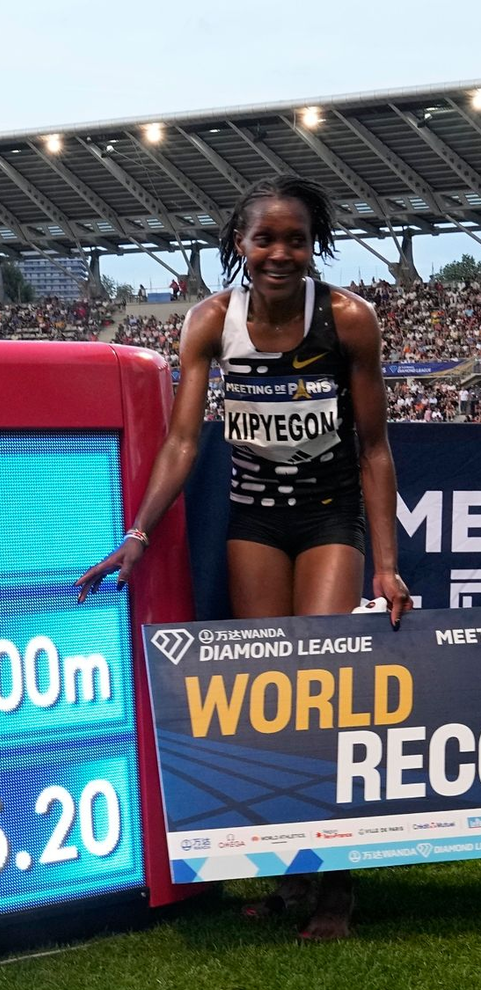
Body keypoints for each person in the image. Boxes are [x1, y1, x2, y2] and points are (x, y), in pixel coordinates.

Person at [76, 174, 413, 941]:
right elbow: (185, 441)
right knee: (270, 698)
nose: (281, 253)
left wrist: (386, 563)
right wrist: (137, 534)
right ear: (240, 244)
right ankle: (291, 873)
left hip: (328, 517)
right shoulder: (209, 321)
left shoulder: (348, 319)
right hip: (256, 519)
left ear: (313, 246)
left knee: (321, 693)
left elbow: (375, 447)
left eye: (296, 239)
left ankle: (336, 886)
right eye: (266, 238)